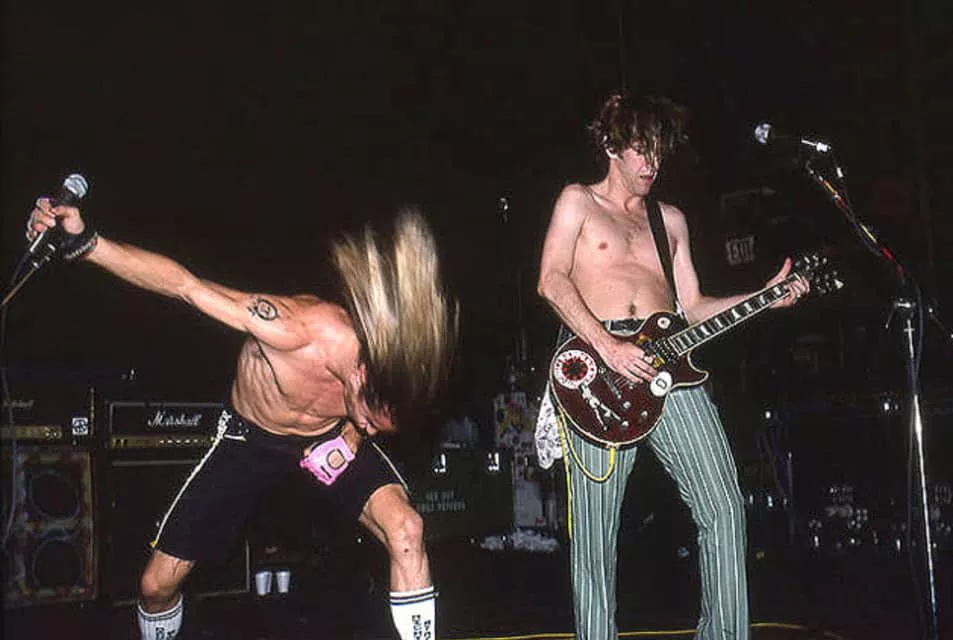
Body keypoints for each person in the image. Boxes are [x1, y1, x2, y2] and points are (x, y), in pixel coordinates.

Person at [26, 198, 457, 640]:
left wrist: (351, 434)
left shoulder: (391, 378)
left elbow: (374, 421)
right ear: (361, 374)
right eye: (366, 420)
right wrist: (88, 244)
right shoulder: (294, 329)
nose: (368, 429)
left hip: (323, 438)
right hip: (248, 440)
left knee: (407, 530)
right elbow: (185, 286)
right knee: (155, 586)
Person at [534, 92, 809, 640]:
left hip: (670, 366)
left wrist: (763, 298)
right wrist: (607, 346)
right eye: (641, 149)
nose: (651, 163)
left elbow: (694, 307)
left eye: (658, 152)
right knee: (594, 535)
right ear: (612, 146)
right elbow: (551, 281)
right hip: (598, 371)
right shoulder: (578, 202)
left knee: (724, 506)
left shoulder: (671, 221)